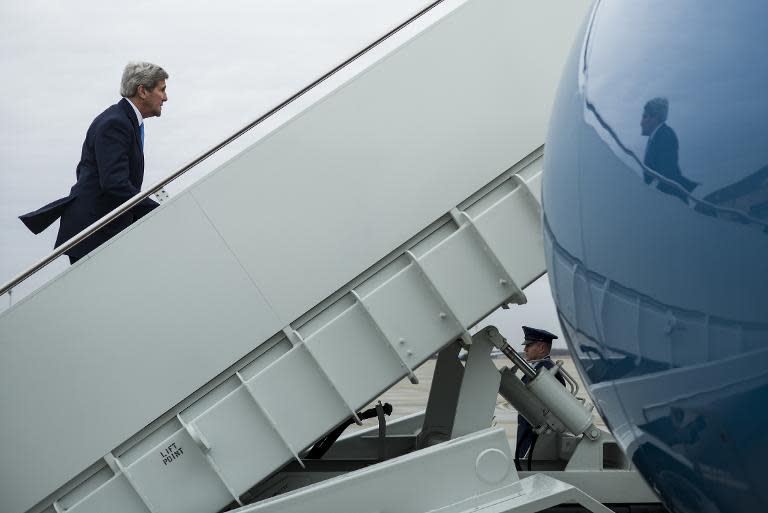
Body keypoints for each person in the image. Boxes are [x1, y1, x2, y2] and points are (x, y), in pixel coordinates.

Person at [19, 62, 168, 264]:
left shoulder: (124, 120)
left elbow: (87, 171)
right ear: (142, 91)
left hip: (103, 227)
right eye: (162, 90)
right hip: (95, 231)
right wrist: (157, 210)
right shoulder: (116, 123)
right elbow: (114, 182)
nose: (165, 98)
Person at [515, 325, 566, 464]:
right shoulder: (539, 369)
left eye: (529, 345)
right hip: (528, 433)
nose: (525, 349)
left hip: (535, 437)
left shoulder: (548, 373)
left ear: (542, 348)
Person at [641, 97, 698, 202]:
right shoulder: (654, 138)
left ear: (655, 118)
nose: (641, 122)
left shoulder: (665, 135)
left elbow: (667, 175)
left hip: (671, 203)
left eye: (645, 117)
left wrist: (649, 196)